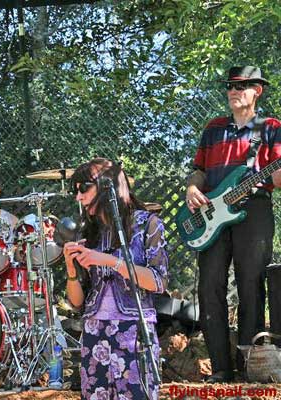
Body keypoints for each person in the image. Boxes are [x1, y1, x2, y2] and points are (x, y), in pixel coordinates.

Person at [185, 66, 281, 383]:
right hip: (211, 212)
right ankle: (221, 370)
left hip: (253, 210)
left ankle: (250, 368)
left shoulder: (271, 127)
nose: (234, 90)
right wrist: (192, 188)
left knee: (251, 286)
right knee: (208, 288)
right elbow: (198, 169)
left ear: (258, 91)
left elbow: (277, 179)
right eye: (230, 85)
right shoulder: (213, 128)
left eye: (242, 86)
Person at [64, 158, 168, 399]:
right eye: (75, 190)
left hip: (134, 330)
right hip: (93, 332)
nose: (77, 197)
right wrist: (70, 269)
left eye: (83, 188)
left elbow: (158, 281)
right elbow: (76, 303)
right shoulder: (88, 232)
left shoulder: (148, 224)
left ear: (106, 185)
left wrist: (109, 261)